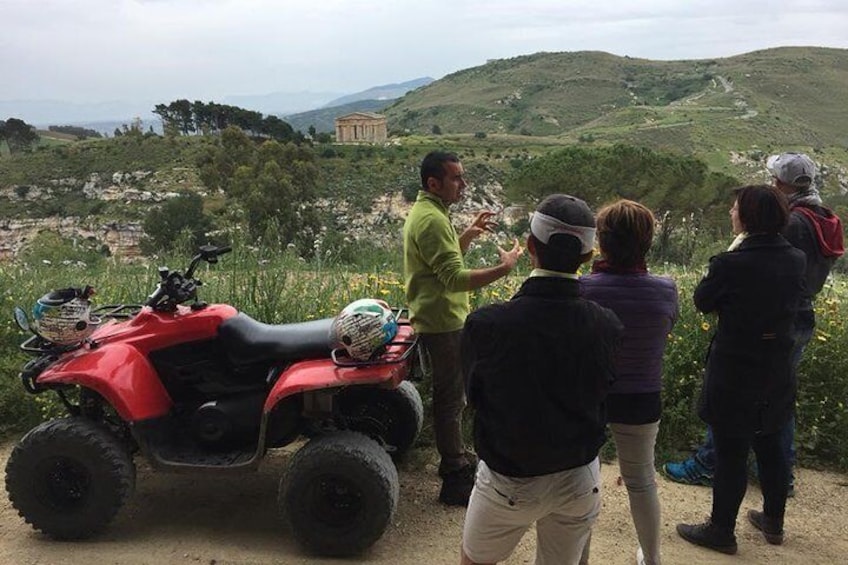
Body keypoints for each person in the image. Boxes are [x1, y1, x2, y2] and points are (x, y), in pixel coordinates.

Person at [662, 152, 844, 493]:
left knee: (731, 393)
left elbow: (759, 272)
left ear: (779, 184)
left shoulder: (792, 224)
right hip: (798, 315)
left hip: (762, 323)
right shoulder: (821, 217)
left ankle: (710, 463)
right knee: (777, 396)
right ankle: (778, 471)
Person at [459, 194, 622, 565]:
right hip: (579, 476)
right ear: (586, 257)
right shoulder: (607, 325)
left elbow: (475, 399)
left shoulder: (487, 324)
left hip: (509, 479)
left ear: (531, 247)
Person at [677, 185, 806, 554]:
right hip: (778, 365)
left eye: (735, 209)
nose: (731, 213)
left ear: (747, 217)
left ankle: (721, 530)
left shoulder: (730, 263)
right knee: (771, 444)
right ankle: (773, 522)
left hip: (735, 366)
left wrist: (731, 254)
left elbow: (703, 301)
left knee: (731, 449)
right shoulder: (795, 258)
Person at [403, 150, 522, 506]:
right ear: (433, 183)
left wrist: (467, 234)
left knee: (451, 395)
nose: (463, 184)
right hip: (443, 322)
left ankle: (455, 460)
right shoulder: (432, 220)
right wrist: (505, 269)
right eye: (456, 178)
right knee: (451, 399)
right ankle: (454, 472)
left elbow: (442, 261)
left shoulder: (430, 213)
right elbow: (453, 278)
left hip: (437, 316)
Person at [580, 200, 678, 565]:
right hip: (642, 396)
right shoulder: (666, 289)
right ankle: (651, 558)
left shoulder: (583, 289)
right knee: (642, 482)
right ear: (647, 241)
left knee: (582, 482)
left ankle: (578, 558)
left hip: (591, 397)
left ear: (602, 242)